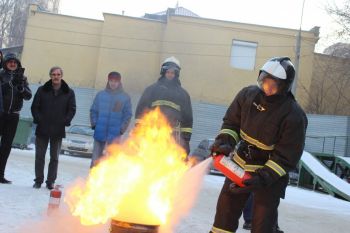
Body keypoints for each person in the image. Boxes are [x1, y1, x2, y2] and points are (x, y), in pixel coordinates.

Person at [209, 57, 307, 233]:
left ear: (284, 87)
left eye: (273, 85)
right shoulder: (247, 96)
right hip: (239, 166)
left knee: (262, 224)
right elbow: (231, 123)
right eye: (264, 81)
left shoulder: (294, 115)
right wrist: (224, 142)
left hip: (269, 178)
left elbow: (286, 156)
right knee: (224, 215)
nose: (266, 88)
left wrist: (262, 178)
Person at [135, 56, 193, 155]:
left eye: (172, 73)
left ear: (176, 74)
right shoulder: (151, 90)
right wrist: (138, 131)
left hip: (173, 137)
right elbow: (141, 111)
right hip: (151, 134)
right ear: (163, 72)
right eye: (168, 72)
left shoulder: (183, 94)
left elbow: (187, 118)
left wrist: (186, 140)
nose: (170, 75)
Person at [31, 66, 76, 189]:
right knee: (39, 156)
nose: (56, 77)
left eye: (58, 74)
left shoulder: (69, 92)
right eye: (53, 74)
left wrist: (65, 121)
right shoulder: (42, 90)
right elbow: (35, 107)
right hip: (42, 128)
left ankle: (50, 181)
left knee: (54, 158)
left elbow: (72, 109)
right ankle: (38, 180)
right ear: (50, 76)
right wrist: (39, 119)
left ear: (61, 76)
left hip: (58, 129)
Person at [0, 53, 32, 184]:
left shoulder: (22, 78)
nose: (13, 64)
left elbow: (28, 96)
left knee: (6, 146)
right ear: (5, 63)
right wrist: (10, 84)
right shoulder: (1, 75)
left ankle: (0, 174)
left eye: (15, 62)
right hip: (0, 113)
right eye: (10, 62)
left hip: (13, 115)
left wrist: (21, 88)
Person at [90, 71, 132, 167]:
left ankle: (109, 181)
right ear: (108, 81)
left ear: (119, 82)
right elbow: (93, 111)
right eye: (111, 81)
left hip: (115, 135)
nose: (113, 83)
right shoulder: (100, 95)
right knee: (95, 161)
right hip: (99, 133)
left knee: (111, 161)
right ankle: (93, 180)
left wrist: (121, 130)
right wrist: (94, 124)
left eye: (115, 81)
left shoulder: (125, 97)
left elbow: (128, 115)